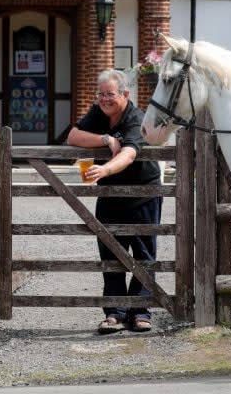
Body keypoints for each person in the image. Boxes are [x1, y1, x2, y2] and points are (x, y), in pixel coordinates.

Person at [66, 69, 162, 334]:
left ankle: (140, 311)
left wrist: (105, 169)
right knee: (110, 251)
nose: (104, 99)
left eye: (110, 94)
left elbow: (129, 153)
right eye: (101, 94)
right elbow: (72, 136)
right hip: (109, 192)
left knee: (143, 253)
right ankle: (115, 313)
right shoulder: (100, 113)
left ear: (125, 94)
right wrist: (105, 139)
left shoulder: (136, 118)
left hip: (142, 192)